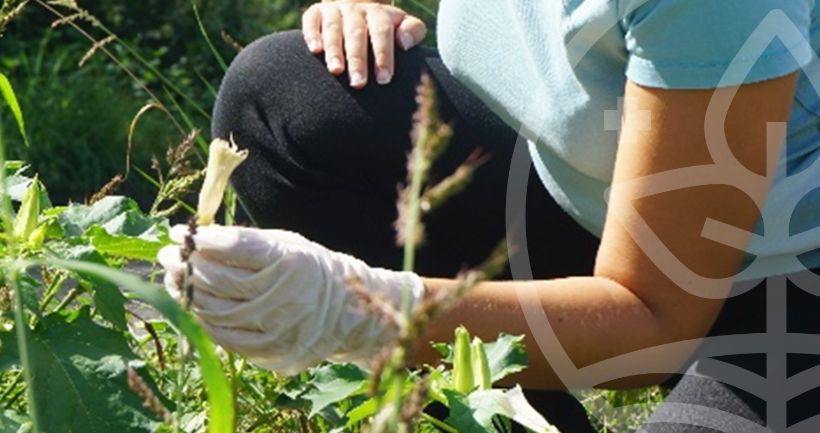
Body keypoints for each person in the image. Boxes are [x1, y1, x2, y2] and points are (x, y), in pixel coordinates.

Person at [156, 1, 820, 431]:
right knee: (286, 97)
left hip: (786, 290)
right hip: (600, 202)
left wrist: (360, 310)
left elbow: (656, 322)